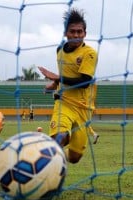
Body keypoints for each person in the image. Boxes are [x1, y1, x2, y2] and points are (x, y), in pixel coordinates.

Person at [38, 8, 98, 164]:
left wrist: (58, 78)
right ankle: (41, 161)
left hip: (83, 109)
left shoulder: (89, 54)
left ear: (85, 33)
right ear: (65, 33)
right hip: (63, 102)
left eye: (80, 32)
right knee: (59, 139)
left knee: (74, 158)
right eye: (73, 31)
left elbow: (84, 83)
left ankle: (56, 149)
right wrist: (56, 83)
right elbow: (65, 73)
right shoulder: (59, 50)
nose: (77, 35)